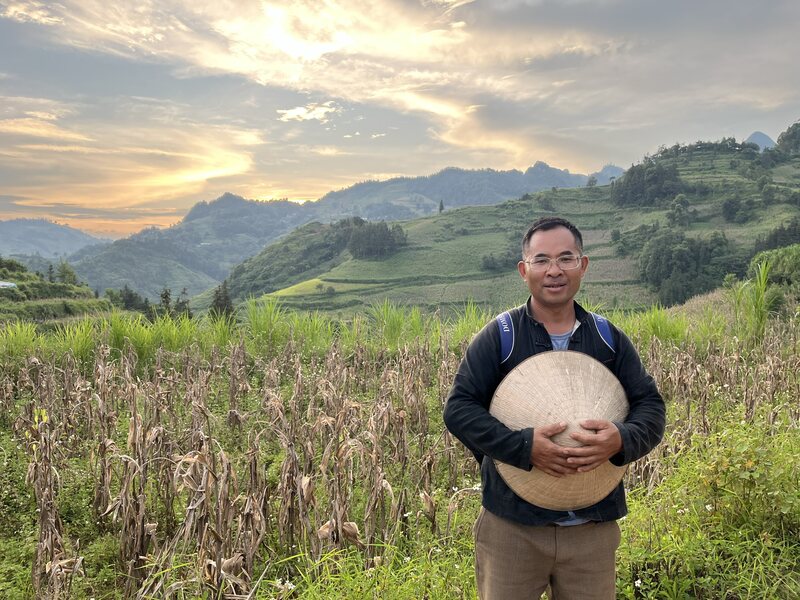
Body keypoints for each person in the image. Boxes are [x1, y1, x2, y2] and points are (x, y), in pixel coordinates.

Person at [443, 216, 665, 599]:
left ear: (584, 265)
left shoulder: (608, 338)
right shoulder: (500, 337)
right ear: (523, 269)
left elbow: (650, 407)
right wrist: (524, 448)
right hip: (512, 527)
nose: (554, 270)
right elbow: (459, 409)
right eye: (541, 260)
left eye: (566, 258)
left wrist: (621, 439)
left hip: (592, 531)